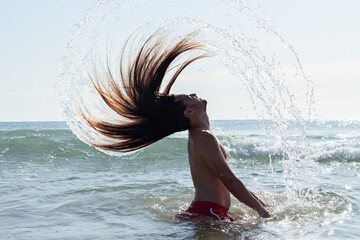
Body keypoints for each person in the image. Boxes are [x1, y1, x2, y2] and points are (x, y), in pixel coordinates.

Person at [79, 31, 271, 221]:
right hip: (208, 213)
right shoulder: (204, 136)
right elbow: (228, 179)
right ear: (189, 112)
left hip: (210, 212)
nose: (194, 94)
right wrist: (260, 210)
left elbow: (225, 179)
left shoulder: (201, 135)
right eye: (189, 97)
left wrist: (259, 202)